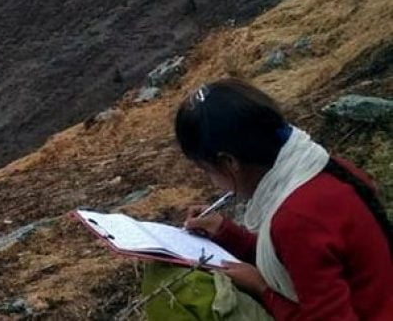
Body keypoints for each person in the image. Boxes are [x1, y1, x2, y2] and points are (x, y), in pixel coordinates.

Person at [150, 78, 392, 320]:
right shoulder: (320, 167)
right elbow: (302, 261)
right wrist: (228, 234)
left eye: (207, 171)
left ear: (229, 163)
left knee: (170, 284)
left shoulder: (297, 218)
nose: (211, 181)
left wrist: (262, 289)